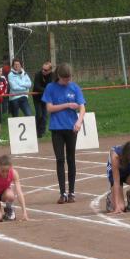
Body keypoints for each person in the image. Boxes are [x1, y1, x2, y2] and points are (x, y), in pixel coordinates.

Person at [42, 63, 86, 204]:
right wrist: (67, 105)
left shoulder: (75, 87)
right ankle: (62, 193)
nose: (68, 81)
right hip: (57, 128)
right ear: (59, 76)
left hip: (71, 128)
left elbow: (82, 107)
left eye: (69, 78)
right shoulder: (50, 88)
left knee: (71, 159)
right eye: (65, 78)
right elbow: (49, 108)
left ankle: (72, 192)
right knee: (60, 159)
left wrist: (79, 121)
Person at [0, 154, 29, 223]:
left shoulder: (14, 173)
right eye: (2, 171)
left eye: (7, 171)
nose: (5, 173)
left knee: (10, 195)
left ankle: (8, 211)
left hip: (5, 194)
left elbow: (19, 192)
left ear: (10, 168)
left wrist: (24, 213)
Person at [32, 61, 55, 137]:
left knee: (45, 116)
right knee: (39, 114)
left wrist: (47, 90)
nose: (43, 71)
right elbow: (36, 87)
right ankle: (36, 131)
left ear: (50, 70)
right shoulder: (38, 75)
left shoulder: (53, 76)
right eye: (42, 69)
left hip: (46, 98)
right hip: (37, 97)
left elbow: (52, 86)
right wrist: (47, 90)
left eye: (45, 70)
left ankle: (42, 132)